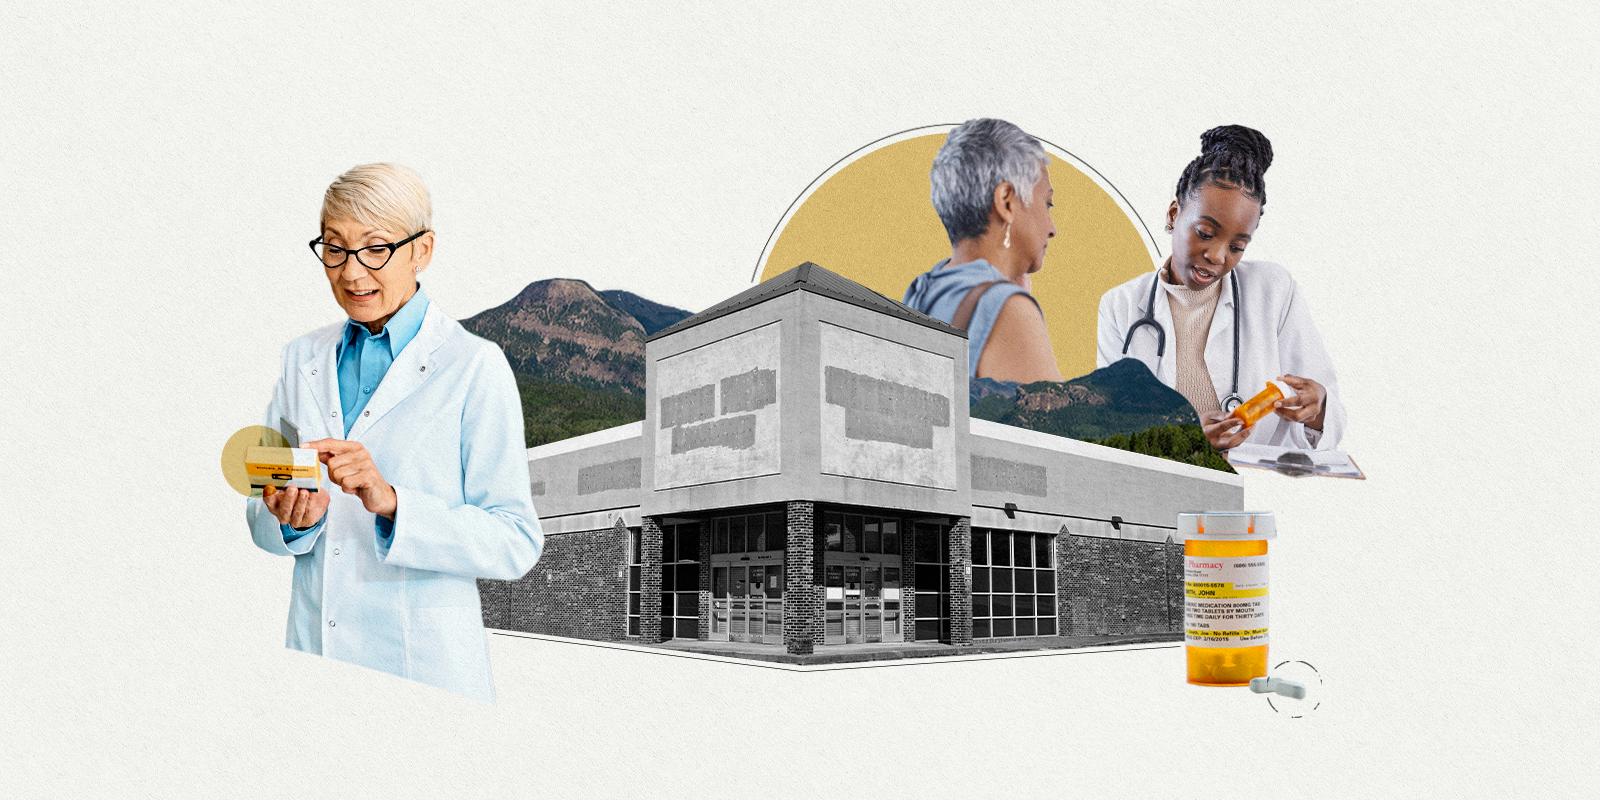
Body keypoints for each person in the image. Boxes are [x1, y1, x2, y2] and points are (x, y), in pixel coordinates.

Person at [245, 163, 542, 703]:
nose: (352, 272)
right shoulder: (299, 360)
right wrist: (289, 520)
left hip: (422, 671)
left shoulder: (474, 366)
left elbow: (515, 541)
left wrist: (393, 504)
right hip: (313, 654)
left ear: (421, 250)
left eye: (376, 248)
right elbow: (260, 515)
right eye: (334, 249)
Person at [1096, 126, 1344, 451]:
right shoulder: (1121, 306)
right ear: (1174, 214)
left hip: (1254, 488)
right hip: (1164, 489)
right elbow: (1109, 430)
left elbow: (1328, 421)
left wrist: (1318, 408)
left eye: (1237, 246)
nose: (1217, 256)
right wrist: (1186, 442)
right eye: (1205, 233)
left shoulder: (1274, 292)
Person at [904, 118, 1063, 384]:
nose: (1052, 229)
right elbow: (1059, 424)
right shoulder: (1010, 310)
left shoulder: (922, 291)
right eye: (1048, 204)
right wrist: (1011, 305)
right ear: (1006, 202)